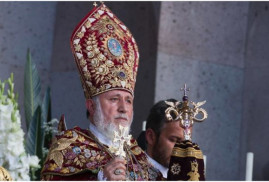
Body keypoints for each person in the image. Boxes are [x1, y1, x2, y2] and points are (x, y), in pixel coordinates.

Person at [41, 3, 162, 181]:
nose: (123, 108)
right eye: (114, 99)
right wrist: (100, 179)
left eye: (128, 100)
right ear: (91, 106)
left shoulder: (140, 159)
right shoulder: (68, 148)